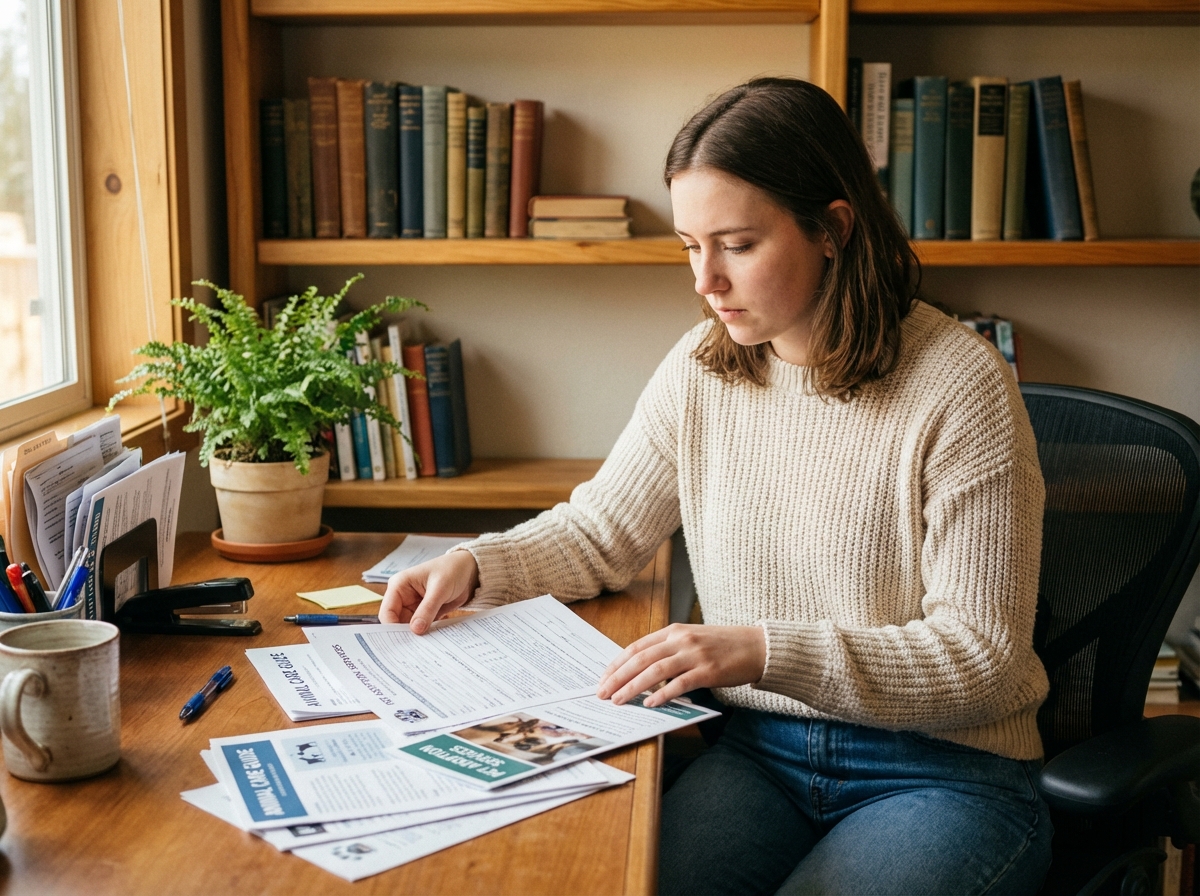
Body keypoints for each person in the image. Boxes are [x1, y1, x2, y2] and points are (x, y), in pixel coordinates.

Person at [380, 77, 1053, 895]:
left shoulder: (959, 384)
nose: (706, 281)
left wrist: (761, 650)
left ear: (833, 229)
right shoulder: (704, 366)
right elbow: (602, 533)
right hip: (758, 755)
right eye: (690, 246)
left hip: (941, 772)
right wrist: (480, 565)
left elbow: (982, 656)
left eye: (735, 245)